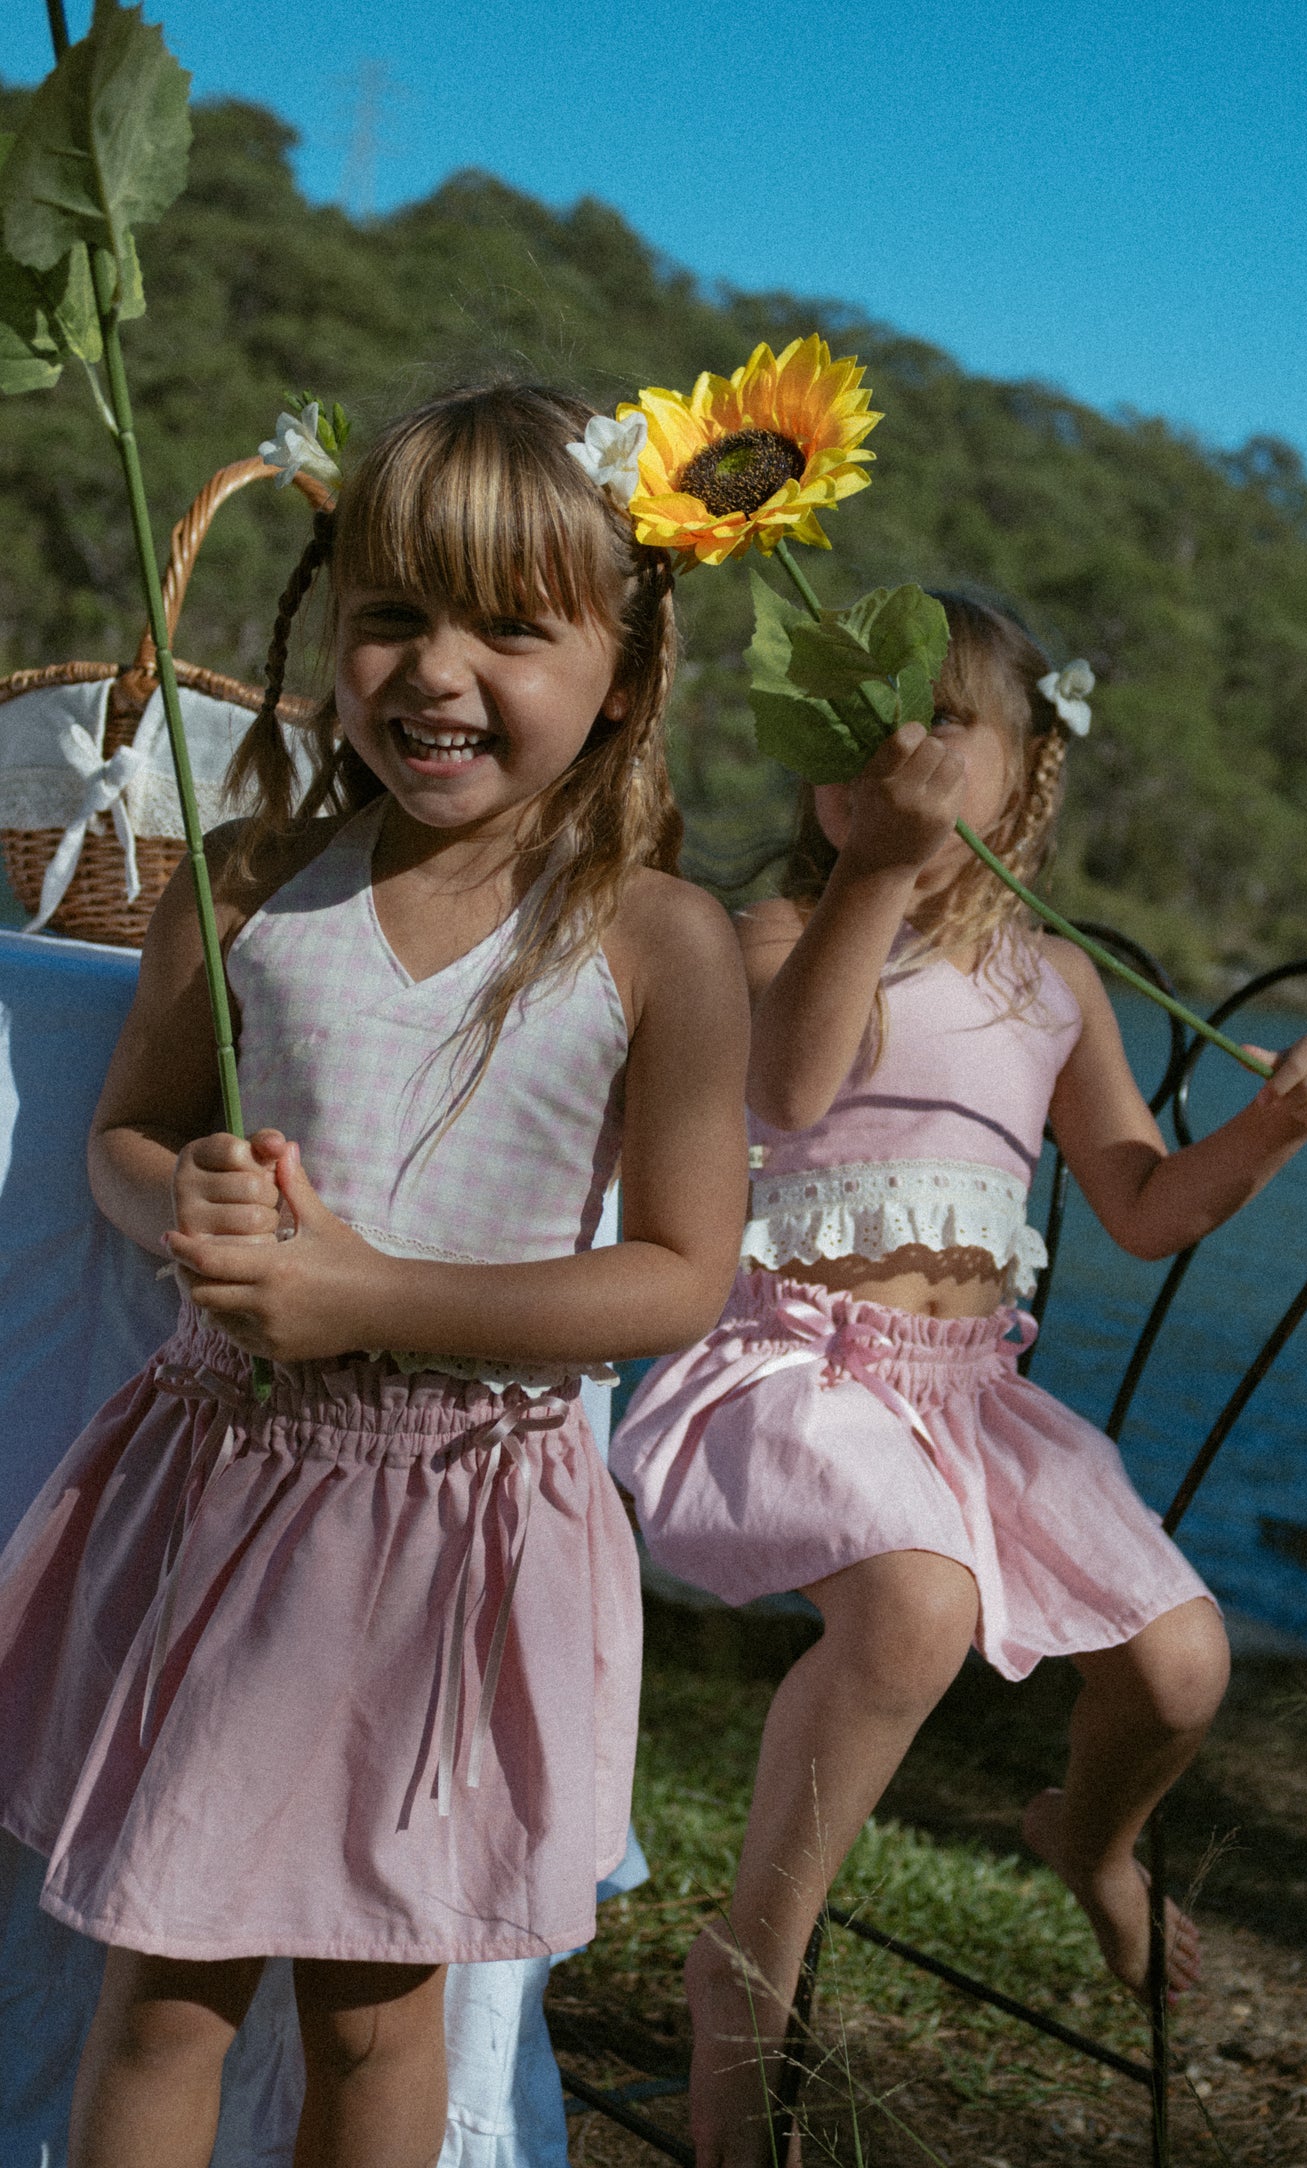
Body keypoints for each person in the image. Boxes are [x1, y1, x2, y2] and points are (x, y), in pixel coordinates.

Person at [0, 382, 750, 2168]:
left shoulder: (658, 941)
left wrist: (371, 1296)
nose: (434, 670)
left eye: (509, 626)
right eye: (391, 616)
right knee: (165, 1978)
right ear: (332, 637)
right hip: (228, 1497)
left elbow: (675, 1277)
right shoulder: (252, 881)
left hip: (459, 1531)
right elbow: (130, 1132)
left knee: (376, 2009)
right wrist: (183, 1197)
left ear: (623, 676)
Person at [611, 591, 1307, 2168]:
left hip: (967, 1395)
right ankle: (751, 1955)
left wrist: (1274, 1127)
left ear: (1024, 776)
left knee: (1182, 1670)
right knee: (919, 1608)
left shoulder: (1054, 983)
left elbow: (1145, 1209)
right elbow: (788, 1083)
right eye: (852, 742)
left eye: (939, 726)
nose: (891, 760)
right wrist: (875, 877)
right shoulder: (774, 938)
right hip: (786, 1372)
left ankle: (1087, 1845)